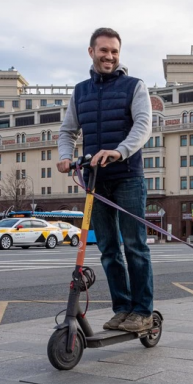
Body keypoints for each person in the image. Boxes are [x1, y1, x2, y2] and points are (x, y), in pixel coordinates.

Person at [57, 27, 154, 333]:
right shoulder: (81, 91)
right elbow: (67, 131)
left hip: (127, 177)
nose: (109, 56)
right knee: (109, 249)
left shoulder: (134, 86)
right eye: (104, 50)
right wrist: (64, 155)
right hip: (95, 180)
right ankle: (122, 308)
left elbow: (143, 126)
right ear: (91, 52)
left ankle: (143, 311)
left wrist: (119, 151)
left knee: (135, 246)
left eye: (114, 51)